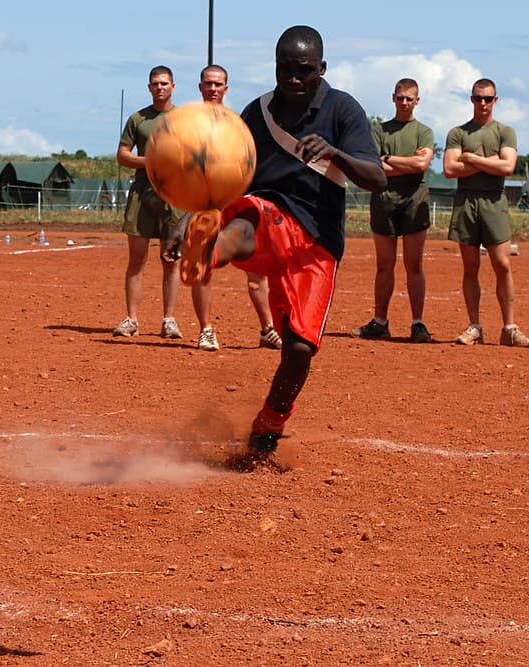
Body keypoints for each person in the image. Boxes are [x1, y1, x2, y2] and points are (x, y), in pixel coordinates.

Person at [162, 25, 387, 461]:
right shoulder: (257, 111)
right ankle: (207, 252)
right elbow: (225, 173)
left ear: (322, 68)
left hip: (316, 240)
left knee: (299, 348)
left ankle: (269, 424)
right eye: (285, 68)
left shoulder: (343, 110)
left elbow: (377, 178)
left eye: (304, 70)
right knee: (248, 221)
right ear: (275, 66)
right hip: (265, 213)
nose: (293, 78)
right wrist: (187, 218)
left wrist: (335, 154)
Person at [192, 64, 282, 351]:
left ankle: (267, 329)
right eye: (208, 83)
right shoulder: (187, 123)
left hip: (238, 200)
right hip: (203, 202)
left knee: (257, 269)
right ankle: (206, 329)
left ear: (226, 88)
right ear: (200, 87)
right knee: (204, 266)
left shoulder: (239, 122)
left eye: (218, 84)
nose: (213, 88)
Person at [443, 79, 525, 346]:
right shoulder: (458, 132)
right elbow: (450, 170)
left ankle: (509, 328)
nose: (483, 103)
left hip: (494, 202)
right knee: (471, 267)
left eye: (488, 99)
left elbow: (507, 167)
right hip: (466, 202)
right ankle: (474, 326)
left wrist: (471, 158)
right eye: (478, 98)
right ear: (471, 99)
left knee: (502, 265)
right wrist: (490, 162)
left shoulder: (506, 132)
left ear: (495, 100)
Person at [352, 79, 435, 343]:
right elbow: (373, 165)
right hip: (384, 198)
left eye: (409, 98)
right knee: (384, 265)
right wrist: (403, 162)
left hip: (414, 199)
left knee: (414, 264)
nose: (404, 103)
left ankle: (418, 323)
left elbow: (422, 165)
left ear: (417, 101)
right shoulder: (379, 130)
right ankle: (380, 321)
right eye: (400, 98)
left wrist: (388, 159)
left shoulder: (424, 131)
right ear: (393, 98)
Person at [112, 65, 184, 341]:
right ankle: (131, 319)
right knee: (136, 259)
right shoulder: (138, 119)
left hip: (175, 196)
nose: (160, 88)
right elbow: (122, 155)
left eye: (164, 83)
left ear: (173, 86)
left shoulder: (184, 119)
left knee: (171, 260)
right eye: (155, 84)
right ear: (149, 87)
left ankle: (169, 320)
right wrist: (151, 163)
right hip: (142, 193)